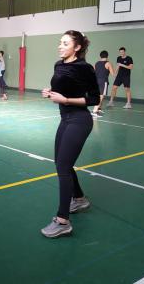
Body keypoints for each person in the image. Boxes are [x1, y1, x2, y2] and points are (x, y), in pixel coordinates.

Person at [41, 30, 100, 238]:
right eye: (60, 42)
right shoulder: (59, 65)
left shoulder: (84, 68)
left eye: (65, 43)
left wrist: (65, 100)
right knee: (61, 163)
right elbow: (64, 87)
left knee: (63, 168)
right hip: (65, 119)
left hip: (79, 120)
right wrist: (50, 91)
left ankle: (63, 221)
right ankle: (80, 199)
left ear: (77, 47)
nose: (60, 46)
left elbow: (94, 99)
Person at [92, 50, 115, 117]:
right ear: (107, 56)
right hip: (103, 81)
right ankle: (94, 111)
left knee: (101, 95)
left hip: (96, 81)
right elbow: (112, 74)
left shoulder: (96, 63)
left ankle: (98, 108)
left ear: (100, 56)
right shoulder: (108, 63)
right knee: (101, 96)